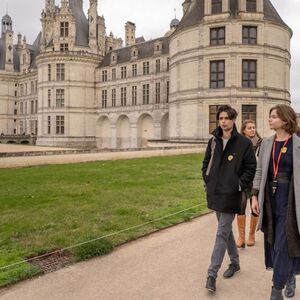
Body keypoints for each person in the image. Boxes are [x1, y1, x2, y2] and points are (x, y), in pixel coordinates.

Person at [202, 105, 257, 293]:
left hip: (233, 195)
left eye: (227, 118)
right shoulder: (214, 141)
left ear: (233, 120)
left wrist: (239, 185)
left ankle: (211, 274)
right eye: (221, 118)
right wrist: (207, 180)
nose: (223, 121)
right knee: (226, 232)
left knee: (221, 233)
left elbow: (251, 167)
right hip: (215, 193)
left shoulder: (243, 143)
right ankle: (235, 262)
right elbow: (206, 163)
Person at [251, 104, 300, 300]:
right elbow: (260, 171)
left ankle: (276, 289)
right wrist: (254, 195)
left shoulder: (298, 143)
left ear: (285, 120)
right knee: (274, 243)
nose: (269, 119)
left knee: (283, 244)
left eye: (273, 116)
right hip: (270, 201)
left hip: (291, 201)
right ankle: (289, 276)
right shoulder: (266, 144)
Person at [236, 120, 262, 248]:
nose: (253, 130)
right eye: (249, 128)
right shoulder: (238, 144)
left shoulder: (260, 143)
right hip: (242, 179)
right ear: (244, 130)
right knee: (240, 207)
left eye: (254, 127)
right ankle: (241, 237)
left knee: (254, 207)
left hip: (255, 179)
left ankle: (251, 235)